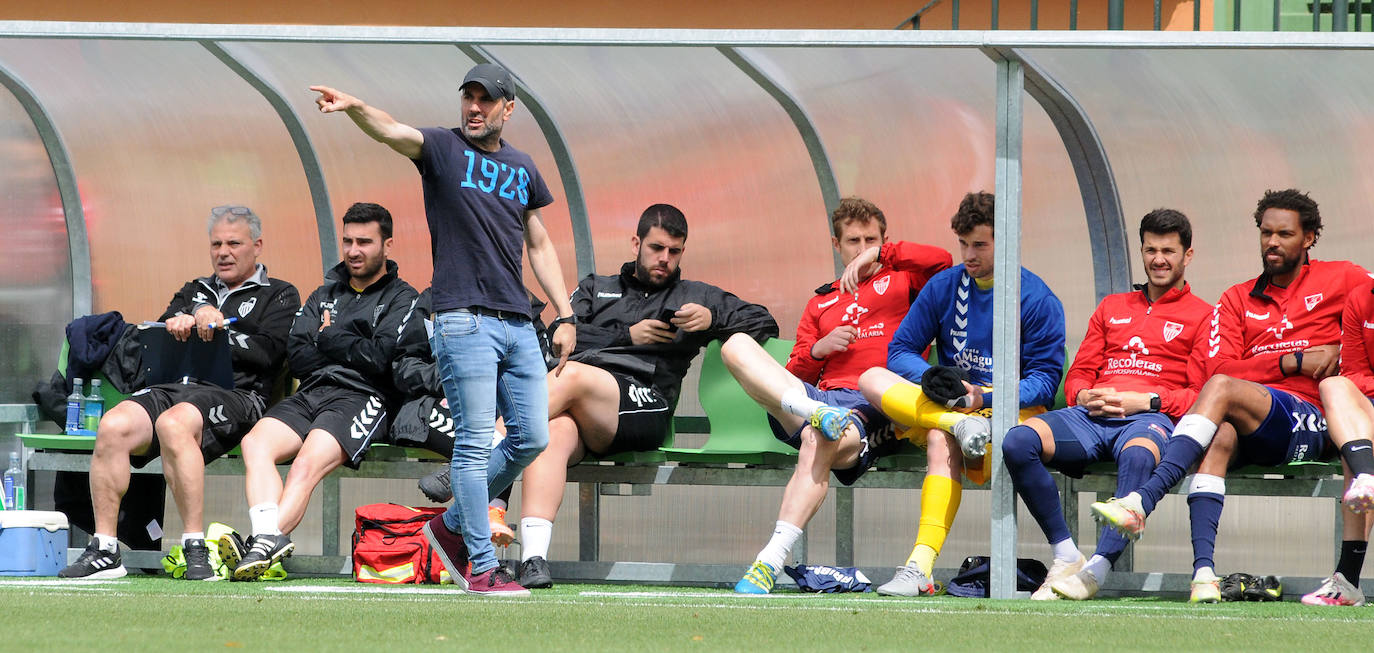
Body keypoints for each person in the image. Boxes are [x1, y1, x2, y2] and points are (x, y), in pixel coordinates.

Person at [311, 63, 577, 596]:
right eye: (468, 98)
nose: (474, 107)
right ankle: (480, 566)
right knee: (475, 445)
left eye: (486, 99)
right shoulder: (442, 148)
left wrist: (565, 313)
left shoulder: (523, 167)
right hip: (460, 318)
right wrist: (357, 107)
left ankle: (451, 524)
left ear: (508, 108)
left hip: (519, 321)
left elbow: (540, 244)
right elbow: (393, 131)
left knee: (531, 438)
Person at [1092, 189, 1373, 603]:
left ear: (1309, 238)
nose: (1272, 243)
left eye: (1284, 234)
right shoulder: (1237, 298)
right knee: (1219, 430)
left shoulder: (1344, 278)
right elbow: (1220, 371)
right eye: (1265, 233)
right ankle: (1204, 574)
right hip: (1257, 414)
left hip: (1312, 418)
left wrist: (1344, 358)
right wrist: (1290, 361)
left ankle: (1143, 500)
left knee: (1222, 393)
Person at [476, 203, 776, 589]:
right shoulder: (594, 288)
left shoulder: (694, 295)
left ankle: (475, 461)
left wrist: (712, 320)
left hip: (647, 406)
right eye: (656, 248)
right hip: (589, 413)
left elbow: (765, 320)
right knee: (553, 431)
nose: (665, 259)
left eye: (675, 251)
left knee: (570, 377)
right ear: (636, 242)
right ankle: (533, 558)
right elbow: (558, 337)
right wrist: (626, 335)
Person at [59, 206, 300, 581]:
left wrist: (218, 330)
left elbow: (270, 353)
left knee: (174, 423)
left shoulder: (280, 294)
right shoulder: (195, 289)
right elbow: (158, 332)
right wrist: (182, 320)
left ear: (257, 246)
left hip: (239, 395)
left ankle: (194, 547)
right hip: (173, 387)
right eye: (216, 244)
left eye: (234, 243)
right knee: (113, 424)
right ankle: (106, 549)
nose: (224, 252)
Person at [727, 197, 951, 594]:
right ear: (837, 244)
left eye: (871, 240)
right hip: (814, 399)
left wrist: (882, 256)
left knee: (819, 435)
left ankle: (769, 561)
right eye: (853, 241)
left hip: (873, 405)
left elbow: (942, 262)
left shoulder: (905, 281)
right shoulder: (821, 300)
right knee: (736, 346)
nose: (861, 248)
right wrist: (819, 350)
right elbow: (791, 374)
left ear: (885, 241)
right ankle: (816, 412)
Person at [857, 190, 1066, 596]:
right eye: (963, 244)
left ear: (1006, 242)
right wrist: (939, 380)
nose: (968, 255)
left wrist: (982, 398)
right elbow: (899, 351)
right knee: (871, 377)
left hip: (1005, 418)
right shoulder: (944, 285)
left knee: (940, 436)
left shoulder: (1037, 298)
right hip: (951, 409)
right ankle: (956, 423)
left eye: (980, 245)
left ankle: (920, 565)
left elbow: (1044, 383)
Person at [1003, 209, 1212, 600]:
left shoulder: (1203, 316)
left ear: (1188, 255)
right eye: (1150, 250)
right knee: (1017, 442)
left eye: (1168, 250)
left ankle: (1097, 569)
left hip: (1149, 419)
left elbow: (1200, 397)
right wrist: (1083, 395)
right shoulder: (1111, 306)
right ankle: (1066, 555)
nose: (1158, 259)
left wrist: (1147, 400)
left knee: (1137, 459)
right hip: (1092, 416)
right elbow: (1079, 373)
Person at [220, 202, 416, 581]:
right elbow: (298, 356)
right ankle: (267, 538)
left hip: (363, 397)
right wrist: (348, 343)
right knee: (255, 443)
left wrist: (328, 336)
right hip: (312, 391)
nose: (354, 251)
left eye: (364, 242)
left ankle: (262, 542)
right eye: (347, 241)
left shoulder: (402, 298)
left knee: (306, 463)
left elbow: (380, 359)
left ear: (387, 245)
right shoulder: (322, 294)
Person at [1300, 276, 1374, 607]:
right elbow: (1355, 373)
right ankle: (1367, 477)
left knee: (1357, 444)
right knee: (1332, 387)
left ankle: (1348, 578)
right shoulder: (1362, 297)